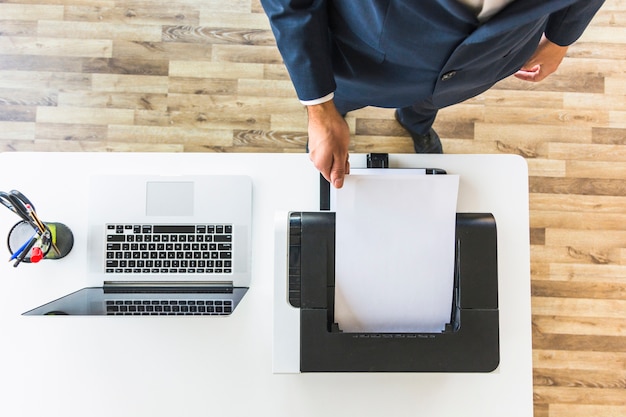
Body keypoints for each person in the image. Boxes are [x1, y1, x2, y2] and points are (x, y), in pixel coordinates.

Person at [260, 0, 605, 188]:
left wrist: (561, 38)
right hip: (362, 57)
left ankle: (417, 125)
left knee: (427, 106)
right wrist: (320, 110)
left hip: (483, 62)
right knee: (340, 105)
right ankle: (335, 119)